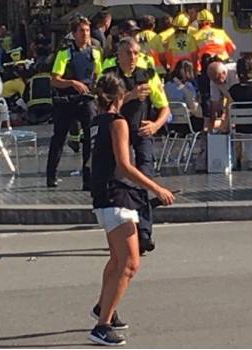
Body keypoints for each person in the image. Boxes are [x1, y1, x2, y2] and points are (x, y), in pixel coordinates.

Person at [87, 72, 174, 346]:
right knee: (129, 263)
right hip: (118, 194)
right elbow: (124, 165)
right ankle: (101, 326)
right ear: (121, 96)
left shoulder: (96, 122)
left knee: (116, 259)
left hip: (104, 194)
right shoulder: (118, 123)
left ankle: (104, 307)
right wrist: (156, 188)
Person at [102, 37, 170, 255]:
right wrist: (131, 96)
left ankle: (144, 233)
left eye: (135, 53)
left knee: (144, 177)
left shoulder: (147, 73)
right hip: (117, 132)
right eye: (128, 53)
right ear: (119, 55)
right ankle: (122, 229)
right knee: (121, 179)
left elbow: (164, 107)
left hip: (141, 132)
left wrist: (155, 125)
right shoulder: (109, 73)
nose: (132, 58)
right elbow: (103, 105)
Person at [47, 16, 102, 189]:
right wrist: (72, 83)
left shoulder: (95, 52)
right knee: (59, 138)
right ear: (74, 33)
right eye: (81, 31)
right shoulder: (65, 52)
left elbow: (98, 76)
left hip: (86, 100)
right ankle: (51, 176)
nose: (85, 34)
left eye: (87, 30)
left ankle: (88, 178)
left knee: (89, 139)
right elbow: (54, 80)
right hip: (67, 100)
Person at [207, 60, 238, 130]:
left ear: (224, 73)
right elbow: (215, 102)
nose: (216, 82)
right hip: (230, 101)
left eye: (217, 79)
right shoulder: (214, 80)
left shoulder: (235, 72)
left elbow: (233, 97)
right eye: (213, 80)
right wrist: (212, 124)